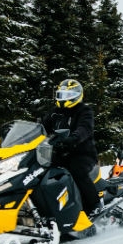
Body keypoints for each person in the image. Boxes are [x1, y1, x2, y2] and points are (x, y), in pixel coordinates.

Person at [41, 79, 102, 215]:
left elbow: (84, 128)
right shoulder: (54, 112)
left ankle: (95, 205)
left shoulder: (83, 111)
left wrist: (73, 138)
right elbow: (41, 128)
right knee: (41, 173)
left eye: (66, 95)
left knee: (77, 172)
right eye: (60, 95)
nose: (62, 99)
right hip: (59, 153)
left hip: (82, 153)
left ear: (75, 95)